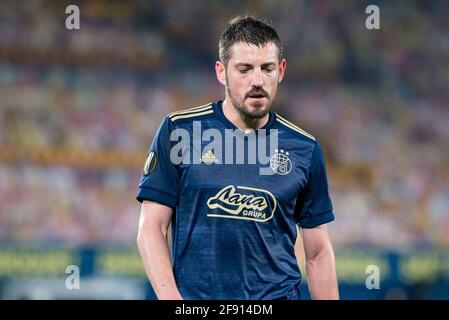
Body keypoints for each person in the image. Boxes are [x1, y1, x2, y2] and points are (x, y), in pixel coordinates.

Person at [136, 16, 339, 300]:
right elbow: (151, 228)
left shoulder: (305, 148)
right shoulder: (179, 130)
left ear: (281, 70)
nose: (257, 80)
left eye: (267, 68)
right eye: (244, 69)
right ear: (221, 72)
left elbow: (318, 253)